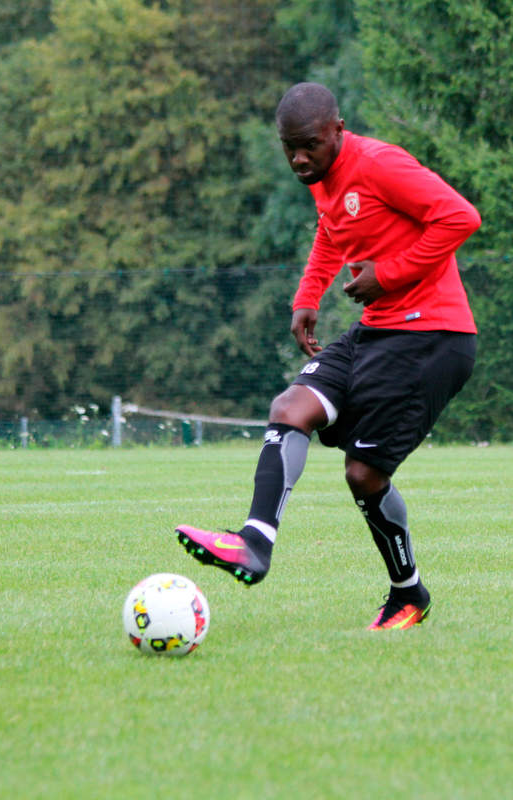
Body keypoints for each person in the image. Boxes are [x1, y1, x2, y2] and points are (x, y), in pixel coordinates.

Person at [176, 83, 480, 629]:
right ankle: (254, 544)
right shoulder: (323, 176)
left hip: (432, 338)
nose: (298, 158)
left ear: (337, 130)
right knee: (290, 407)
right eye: (288, 147)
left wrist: (386, 275)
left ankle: (408, 595)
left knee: (363, 474)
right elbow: (330, 230)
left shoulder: (381, 164)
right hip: (378, 331)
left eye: (309, 145)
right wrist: (306, 297)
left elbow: (460, 218)